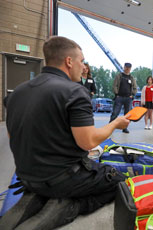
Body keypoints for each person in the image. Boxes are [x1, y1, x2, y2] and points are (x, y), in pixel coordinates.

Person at [0, 36, 130, 230]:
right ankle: (71, 206)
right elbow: (88, 141)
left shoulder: (16, 93)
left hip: (27, 175)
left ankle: (39, 195)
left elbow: (14, 137)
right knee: (119, 181)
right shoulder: (74, 92)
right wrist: (116, 123)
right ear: (69, 61)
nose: (83, 66)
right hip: (62, 179)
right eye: (81, 61)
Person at [109, 62, 137, 133]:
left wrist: (132, 95)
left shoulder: (132, 78)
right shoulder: (119, 76)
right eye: (126, 67)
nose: (127, 69)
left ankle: (125, 128)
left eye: (129, 67)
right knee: (115, 113)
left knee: (127, 115)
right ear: (124, 67)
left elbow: (135, 88)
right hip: (119, 98)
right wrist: (116, 94)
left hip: (128, 98)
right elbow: (114, 85)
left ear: (130, 69)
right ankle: (110, 127)